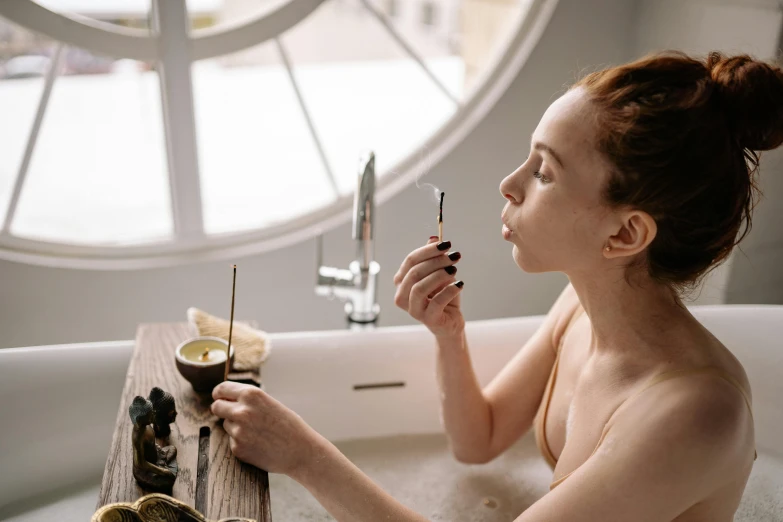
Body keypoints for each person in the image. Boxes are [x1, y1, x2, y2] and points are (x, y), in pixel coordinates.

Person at [210, 50, 783, 521]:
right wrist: (448, 334)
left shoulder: (699, 414)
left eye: (544, 171)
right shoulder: (582, 311)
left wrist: (306, 457)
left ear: (626, 233)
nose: (509, 185)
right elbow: (476, 442)